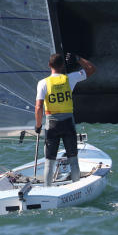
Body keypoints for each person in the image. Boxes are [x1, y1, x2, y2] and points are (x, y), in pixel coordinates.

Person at [34, 52, 96, 186]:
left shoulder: (42, 83)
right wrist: (78, 59)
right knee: (73, 160)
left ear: (49, 65)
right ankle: (76, 187)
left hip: (51, 125)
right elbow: (91, 69)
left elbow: (38, 107)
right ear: (62, 66)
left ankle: (47, 190)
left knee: (49, 162)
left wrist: (38, 126)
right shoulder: (70, 78)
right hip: (68, 123)